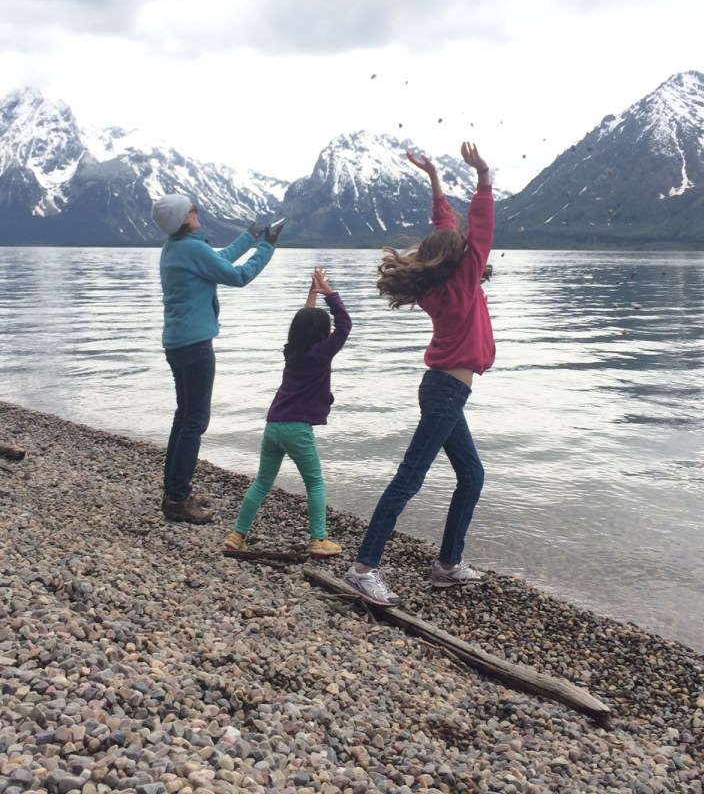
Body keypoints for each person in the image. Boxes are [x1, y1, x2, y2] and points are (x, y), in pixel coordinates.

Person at [341, 141, 495, 605]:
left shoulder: (439, 283)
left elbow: (445, 228)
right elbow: (479, 229)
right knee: (409, 478)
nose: (471, 251)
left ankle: (448, 565)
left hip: (444, 391)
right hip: (446, 392)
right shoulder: (463, 282)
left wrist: (434, 179)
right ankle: (363, 568)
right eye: (466, 251)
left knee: (472, 476)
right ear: (460, 261)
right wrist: (482, 176)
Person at [152, 193, 282, 525]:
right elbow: (238, 276)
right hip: (195, 347)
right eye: (192, 209)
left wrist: (249, 238)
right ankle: (177, 498)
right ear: (183, 219)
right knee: (194, 422)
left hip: (177, 344)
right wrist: (267, 247)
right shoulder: (191, 249)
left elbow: (218, 260)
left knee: (184, 418)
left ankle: (174, 492)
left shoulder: (176, 248)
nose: (197, 211)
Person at [224, 267, 351, 557]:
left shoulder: (292, 351)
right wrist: (330, 294)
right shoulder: (321, 353)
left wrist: (313, 293)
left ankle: (236, 535)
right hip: (297, 429)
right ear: (321, 335)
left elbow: (305, 322)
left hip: (274, 426)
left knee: (262, 482)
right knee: (314, 482)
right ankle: (318, 540)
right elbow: (345, 324)